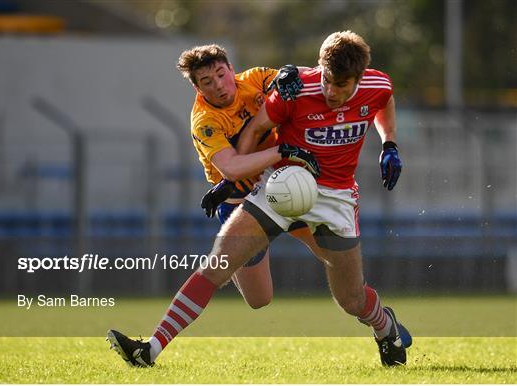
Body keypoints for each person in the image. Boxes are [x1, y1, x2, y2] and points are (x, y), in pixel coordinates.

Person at [108, 31, 411, 368]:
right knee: (221, 269)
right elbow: (251, 136)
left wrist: (390, 143)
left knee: (351, 298)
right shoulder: (221, 116)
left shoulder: (375, 84)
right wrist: (234, 178)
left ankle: (386, 327)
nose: (332, 91)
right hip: (278, 185)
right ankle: (149, 349)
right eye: (327, 80)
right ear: (320, 68)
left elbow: (382, 100)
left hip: (335, 198)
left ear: (359, 79)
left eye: (342, 85)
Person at [175, 44, 322, 309]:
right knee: (259, 299)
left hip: (284, 184)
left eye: (221, 74)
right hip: (239, 203)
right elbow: (231, 169)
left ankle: (369, 310)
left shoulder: (254, 79)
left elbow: (305, 77)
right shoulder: (205, 121)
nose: (218, 85)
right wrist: (282, 150)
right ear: (198, 88)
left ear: (232, 69)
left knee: (333, 255)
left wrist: (291, 71)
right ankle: (237, 253)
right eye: (207, 81)